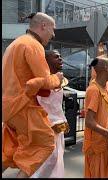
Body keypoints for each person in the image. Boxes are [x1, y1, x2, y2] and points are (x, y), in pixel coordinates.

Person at [2, 12, 63, 178]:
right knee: (45, 143)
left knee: (12, 149)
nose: (53, 34)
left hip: (8, 108)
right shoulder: (33, 45)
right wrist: (57, 79)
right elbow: (45, 81)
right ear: (43, 26)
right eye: (52, 29)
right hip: (23, 106)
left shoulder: (13, 45)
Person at [83, 57, 108, 178]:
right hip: (96, 144)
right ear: (105, 69)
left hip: (106, 140)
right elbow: (89, 121)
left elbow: (105, 108)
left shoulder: (106, 86)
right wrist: (106, 132)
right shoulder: (93, 90)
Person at [31, 50, 69, 178]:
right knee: (48, 160)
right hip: (44, 126)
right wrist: (49, 123)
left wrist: (64, 120)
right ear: (46, 60)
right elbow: (39, 105)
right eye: (56, 57)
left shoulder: (60, 80)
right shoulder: (42, 81)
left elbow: (57, 105)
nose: (60, 59)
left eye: (60, 56)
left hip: (58, 126)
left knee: (58, 158)